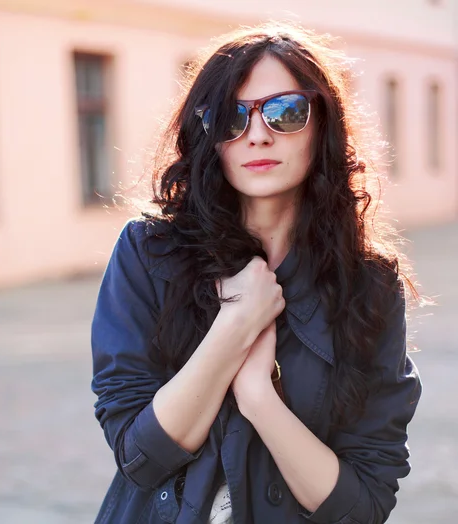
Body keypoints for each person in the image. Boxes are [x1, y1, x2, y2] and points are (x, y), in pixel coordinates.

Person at [90, 21, 422, 524]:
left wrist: (258, 396)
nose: (258, 136)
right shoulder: (148, 252)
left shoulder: (369, 283)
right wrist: (236, 325)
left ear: (322, 127)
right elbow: (141, 455)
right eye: (231, 117)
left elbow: (364, 505)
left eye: (286, 112)